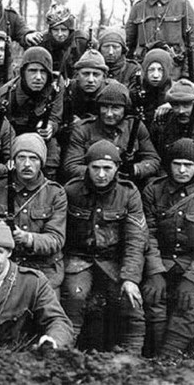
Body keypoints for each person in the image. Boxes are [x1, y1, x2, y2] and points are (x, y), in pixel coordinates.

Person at [62, 140, 147, 353]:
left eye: (107, 168)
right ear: (87, 168)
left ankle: (133, 358)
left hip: (112, 261)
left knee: (131, 302)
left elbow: (135, 239)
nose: (101, 174)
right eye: (95, 168)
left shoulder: (128, 193)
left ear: (117, 168)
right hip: (78, 259)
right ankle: (63, 352)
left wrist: (130, 278)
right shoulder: (71, 191)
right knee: (75, 296)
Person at [0, 220, 74, 348]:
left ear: (9, 252)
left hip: (21, 361)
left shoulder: (33, 282)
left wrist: (52, 340)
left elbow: (58, 321)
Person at [141, 138, 194, 356]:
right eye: (177, 163)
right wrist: (155, 272)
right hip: (162, 261)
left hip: (192, 264)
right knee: (152, 298)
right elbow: (147, 235)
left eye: (188, 165)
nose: (181, 170)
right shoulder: (154, 190)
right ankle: (156, 355)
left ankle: (168, 358)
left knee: (192, 302)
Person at [0, 133, 67, 294]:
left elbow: (56, 239)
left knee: (49, 315)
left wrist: (27, 238)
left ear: (41, 162)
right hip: (5, 265)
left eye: (33, 158)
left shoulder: (55, 193)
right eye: (21, 157)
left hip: (44, 269)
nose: (27, 164)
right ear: (13, 161)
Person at [63, 81, 160, 184]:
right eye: (104, 107)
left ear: (125, 109)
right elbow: (71, 166)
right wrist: (107, 172)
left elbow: (153, 160)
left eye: (115, 108)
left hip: (127, 185)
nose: (109, 114)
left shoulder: (135, 126)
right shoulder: (84, 129)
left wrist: (135, 169)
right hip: (93, 183)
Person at [0, 46, 63, 179]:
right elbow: (1, 130)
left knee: (53, 153)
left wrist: (50, 127)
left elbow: (56, 117)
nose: (38, 77)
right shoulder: (7, 94)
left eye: (43, 72)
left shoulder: (56, 88)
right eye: (32, 71)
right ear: (23, 73)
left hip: (43, 138)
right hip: (14, 137)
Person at [151, 79, 194, 178]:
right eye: (175, 105)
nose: (181, 111)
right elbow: (156, 157)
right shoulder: (164, 121)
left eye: (186, 105)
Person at [38, 3, 89, 81]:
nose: (60, 34)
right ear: (50, 31)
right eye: (55, 30)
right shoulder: (42, 42)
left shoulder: (82, 41)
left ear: (70, 30)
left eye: (64, 29)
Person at [66, 49, 112, 121]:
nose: (91, 80)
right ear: (77, 75)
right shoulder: (68, 89)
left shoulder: (111, 92)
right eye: (86, 74)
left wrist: (84, 123)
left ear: (104, 77)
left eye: (96, 74)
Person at [98, 27, 141, 99]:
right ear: (99, 48)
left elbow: (135, 97)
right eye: (106, 46)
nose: (110, 52)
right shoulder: (93, 67)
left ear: (123, 49)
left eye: (115, 47)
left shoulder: (133, 69)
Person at [140, 49, 174, 126]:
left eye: (160, 70)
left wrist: (173, 106)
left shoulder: (175, 91)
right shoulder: (137, 90)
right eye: (151, 70)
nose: (155, 75)